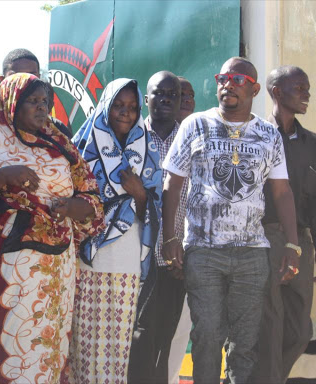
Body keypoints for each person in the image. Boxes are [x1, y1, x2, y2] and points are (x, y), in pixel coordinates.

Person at [0, 73, 104, 384]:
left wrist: (73, 207)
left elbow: (92, 197)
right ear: (12, 103)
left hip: (55, 271)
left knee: (47, 349)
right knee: (7, 351)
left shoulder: (61, 145)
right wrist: (1, 177)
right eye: (33, 101)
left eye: (46, 102)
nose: (42, 108)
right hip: (5, 273)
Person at [162, 57, 300, 383]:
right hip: (203, 250)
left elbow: (282, 192)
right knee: (207, 335)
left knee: (245, 343)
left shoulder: (268, 135)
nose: (228, 84)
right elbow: (173, 183)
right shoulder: (195, 125)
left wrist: (293, 244)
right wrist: (170, 238)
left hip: (252, 254)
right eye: (223, 78)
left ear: (253, 88)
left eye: (237, 79)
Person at [65, 78, 162, 383]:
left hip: (127, 260)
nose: (126, 113)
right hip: (88, 258)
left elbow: (156, 205)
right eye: (119, 105)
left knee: (117, 346)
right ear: (106, 106)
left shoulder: (147, 149)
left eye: (133, 107)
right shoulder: (81, 147)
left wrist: (140, 194)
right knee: (85, 343)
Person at [249, 66, 316, 384]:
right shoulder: (254, 137)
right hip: (265, 241)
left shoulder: (313, 144)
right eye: (300, 87)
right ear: (276, 92)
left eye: (307, 88)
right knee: (268, 329)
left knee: (299, 332)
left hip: (302, 244)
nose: (307, 93)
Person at [126, 71, 186, 384]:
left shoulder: (190, 139)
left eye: (172, 95)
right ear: (146, 99)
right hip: (137, 257)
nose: (165, 100)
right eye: (158, 94)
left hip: (175, 261)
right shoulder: (132, 137)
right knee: (138, 336)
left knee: (165, 337)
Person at [0, 48, 71, 169]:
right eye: (16, 76)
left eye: (31, 76)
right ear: (2, 81)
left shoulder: (58, 131)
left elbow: (80, 179)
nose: (24, 82)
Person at [167, 76, 196, 384]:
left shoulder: (202, 140)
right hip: (154, 255)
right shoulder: (149, 138)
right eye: (179, 94)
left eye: (190, 95)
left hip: (192, 254)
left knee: (181, 330)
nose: (186, 99)